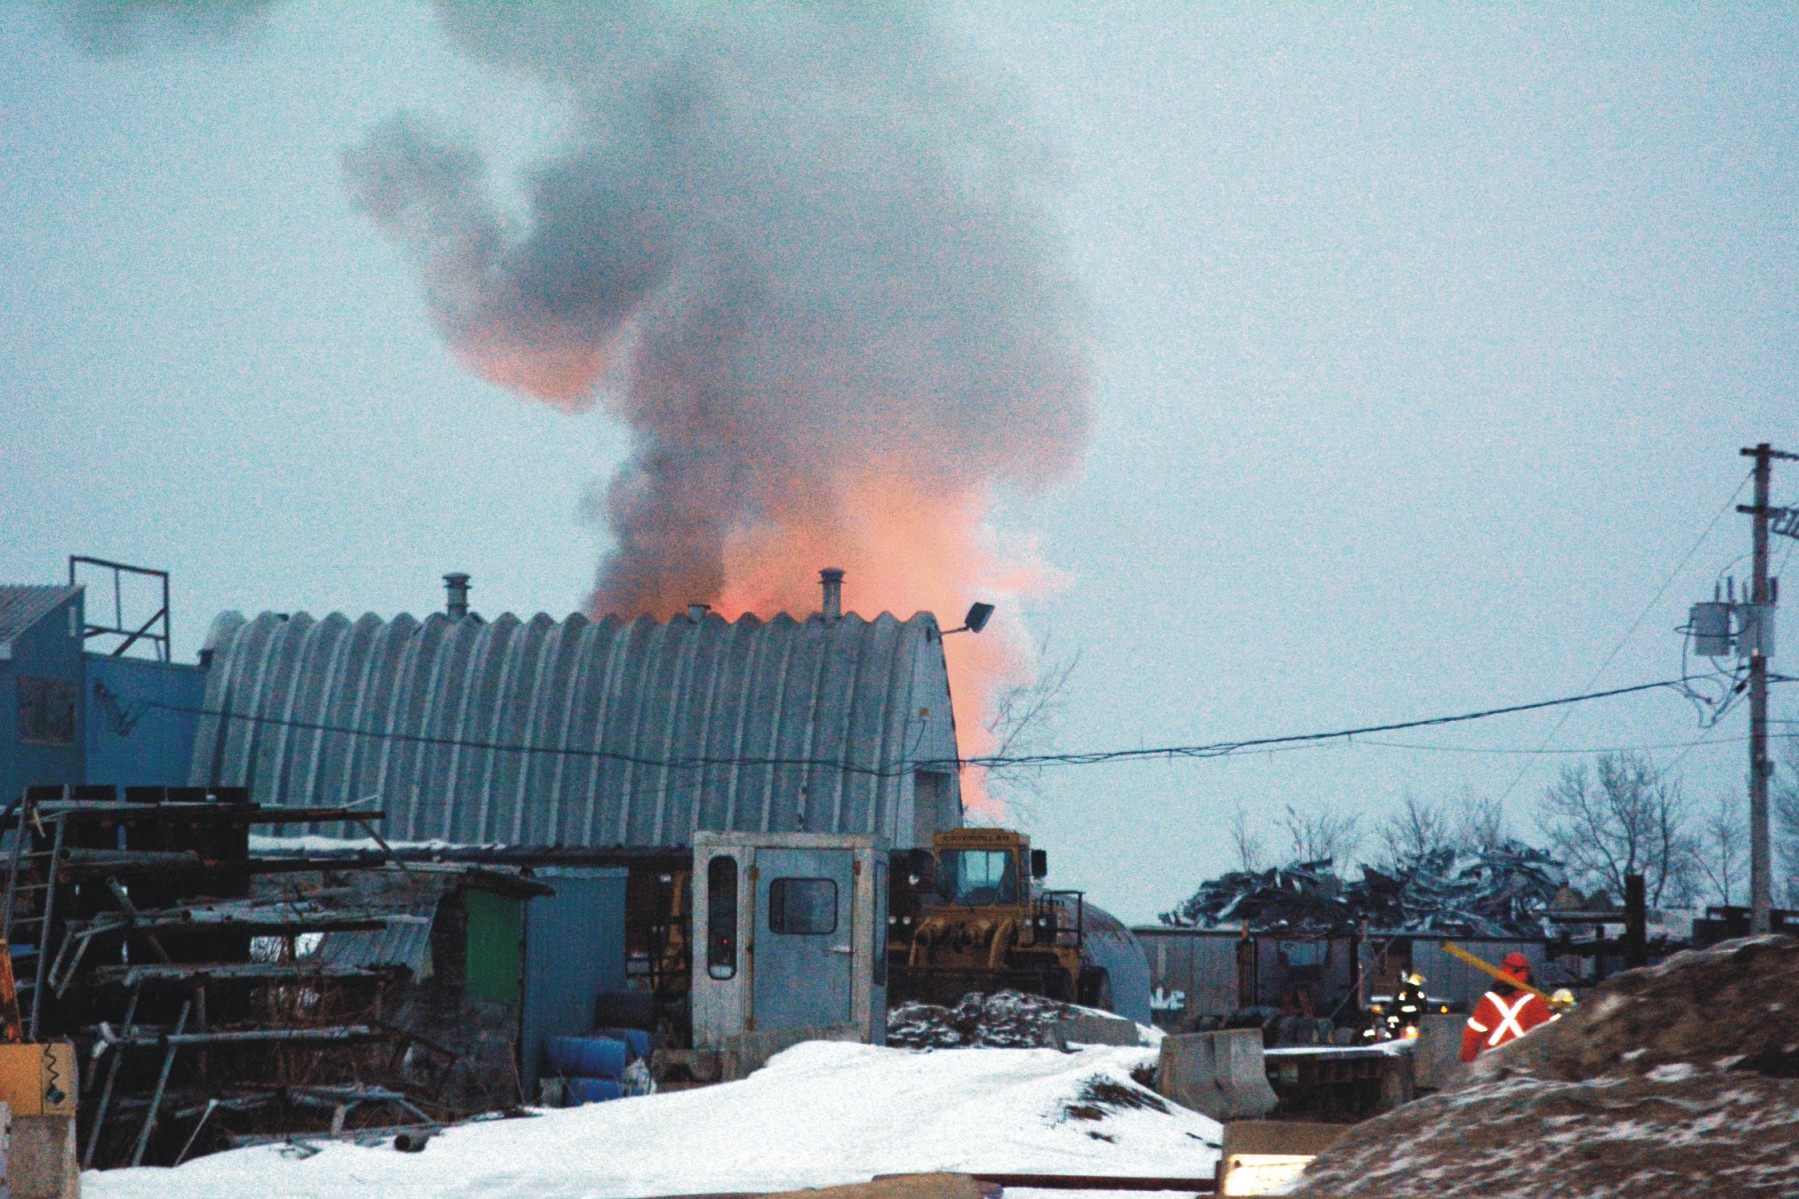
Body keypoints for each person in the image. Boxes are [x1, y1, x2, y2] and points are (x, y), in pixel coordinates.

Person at [1460, 952, 1553, 1062]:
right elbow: (1547, 1034)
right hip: (1525, 1061)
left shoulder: (1489, 1000)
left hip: (1494, 1061)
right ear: (1527, 973)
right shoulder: (1536, 1000)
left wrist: (1468, 1060)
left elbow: (1473, 1035)